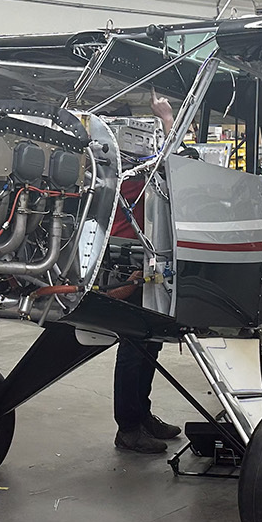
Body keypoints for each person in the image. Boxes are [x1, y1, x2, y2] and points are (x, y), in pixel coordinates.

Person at [111, 92, 183, 454]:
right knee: (134, 346)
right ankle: (128, 427)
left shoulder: (135, 168)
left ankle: (141, 415)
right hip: (127, 263)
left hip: (146, 259)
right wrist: (168, 118)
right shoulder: (120, 171)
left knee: (149, 342)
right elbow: (176, 163)